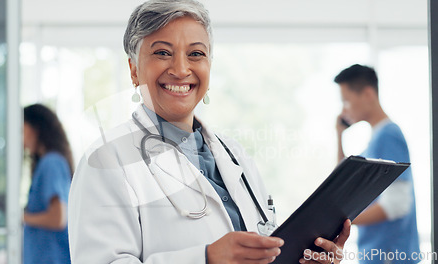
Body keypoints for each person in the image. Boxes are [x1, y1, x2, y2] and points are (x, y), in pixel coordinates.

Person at [68, 1, 351, 263]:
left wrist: (304, 257)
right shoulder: (106, 160)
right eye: (162, 53)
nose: (181, 69)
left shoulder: (233, 154)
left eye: (196, 54)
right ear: (133, 70)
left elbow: (266, 247)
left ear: (209, 67)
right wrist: (206, 258)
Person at [335, 64, 420, 263]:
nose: (344, 109)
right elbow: (342, 181)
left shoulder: (388, 136)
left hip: (390, 254)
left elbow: (397, 205)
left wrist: (343, 223)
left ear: (367, 94)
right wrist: (339, 135)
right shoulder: (375, 141)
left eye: (346, 101)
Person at [23, 104, 73, 264]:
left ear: (36, 128)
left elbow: (58, 218)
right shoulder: (47, 163)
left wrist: (23, 217)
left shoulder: (51, 163)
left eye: (21, 130)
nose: (20, 138)